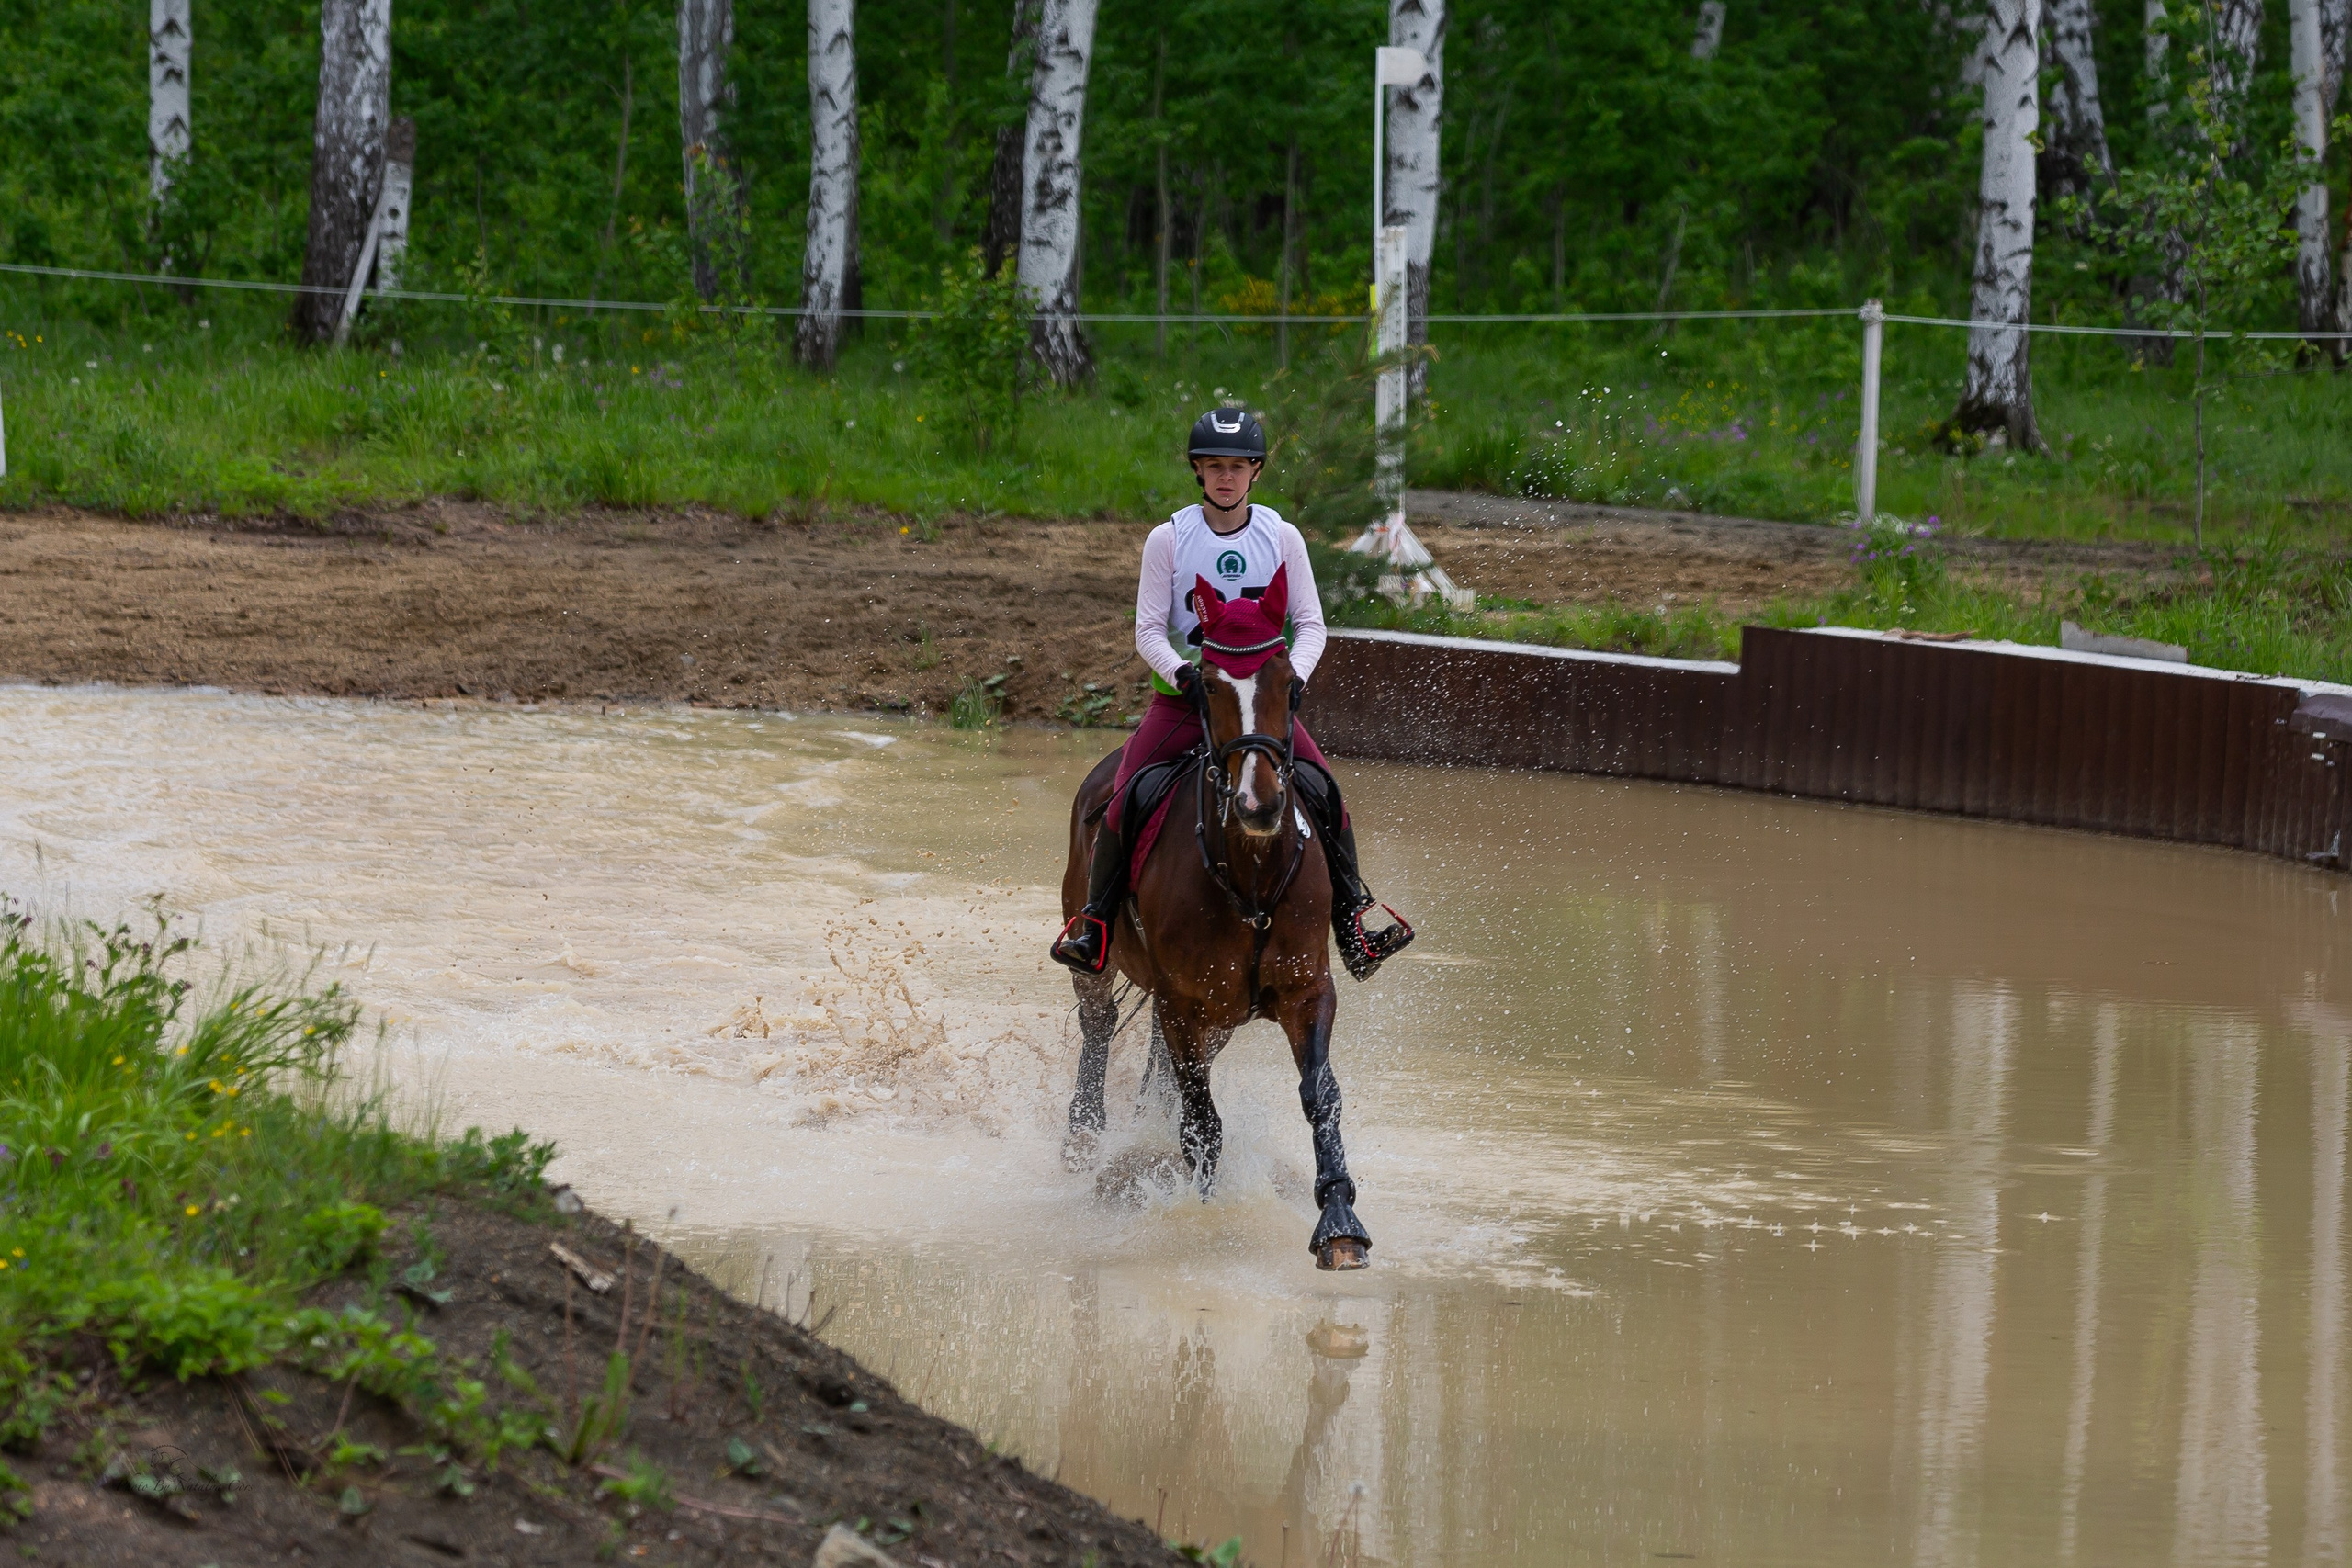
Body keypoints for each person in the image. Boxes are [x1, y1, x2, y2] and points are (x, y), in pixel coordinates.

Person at [1050, 407, 1415, 980]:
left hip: (1261, 708)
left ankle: (1352, 923)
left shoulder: (1282, 536)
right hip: (1185, 704)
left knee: (1326, 792)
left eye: (1238, 466)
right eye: (1214, 466)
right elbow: (1148, 628)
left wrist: (1291, 678)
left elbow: (1311, 623)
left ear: (1255, 472)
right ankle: (1095, 923)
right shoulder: (1167, 539)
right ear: (1198, 472)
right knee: (1120, 798)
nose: (1226, 477)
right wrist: (1183, 675)